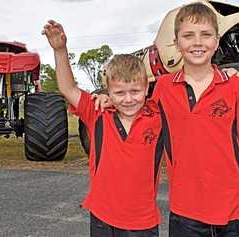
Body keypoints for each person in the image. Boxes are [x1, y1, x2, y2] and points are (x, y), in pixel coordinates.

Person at [95, 2, 239, 237]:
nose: (197, 42)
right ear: (177, 44)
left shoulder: (235, 86)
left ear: (216, 41)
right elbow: (135, 110)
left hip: (235, 215)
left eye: (206, 35)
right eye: (188, 35)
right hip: (186, 218)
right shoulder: (164, 88)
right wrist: (107, 100)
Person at [42, 20, 165, 237]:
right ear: (107, 91)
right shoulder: (97, 112)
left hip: (143, 222)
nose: (128, 99)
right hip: (102, 218)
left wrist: (228, 73)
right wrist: (60, 50)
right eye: (119, 93)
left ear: (147, 87)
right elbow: (68, 88)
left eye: (135, 91)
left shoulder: (158, 116)